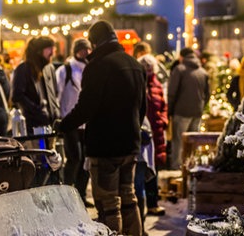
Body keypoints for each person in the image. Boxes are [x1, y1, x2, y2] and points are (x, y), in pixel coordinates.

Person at [57, 21, 146, 236]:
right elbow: (142, 107)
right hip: (130, 142)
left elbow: (86, 107)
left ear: (95, 43)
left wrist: (63, 125)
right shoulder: (134, 64)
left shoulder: (97, 66)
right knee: (128, 197)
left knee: (108, 204)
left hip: (105, 145)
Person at [55, 38, 93, 208]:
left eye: (88, 49)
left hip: (87, 122)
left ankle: (81, 194)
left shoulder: (91, 69)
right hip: (70, 120)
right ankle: (66, 194)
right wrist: (59, 117)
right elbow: (58, 94)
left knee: (86, 160)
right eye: (82, 49)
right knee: (74, 158)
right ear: (76, 51)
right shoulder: (66, 70)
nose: (85, 53)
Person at [167, 47, 209, 170]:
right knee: (193, 142)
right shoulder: (203, 71)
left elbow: (172, 93)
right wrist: (201, 106)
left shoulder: (179, 70)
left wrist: (170, 110)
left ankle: (177, 167)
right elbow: (207, 94)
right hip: (197, 111)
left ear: (181, 57)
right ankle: (191, 166)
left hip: (181, 112)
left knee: (179, 142)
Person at [137, 54, 168, 216]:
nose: (148, 69)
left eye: (150, 66)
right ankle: (141, 207)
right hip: (142, 132)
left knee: (154, 170)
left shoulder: (157, 85)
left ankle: (153, 203)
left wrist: (163, 120)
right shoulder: (137, 84)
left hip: (156, 131)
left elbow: (163, 105)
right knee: (143, 169)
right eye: (145, 66)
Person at [11, 36, 60, 135]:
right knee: (39, 149)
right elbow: (17, 95)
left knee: (51, 150)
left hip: (51, 124)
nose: (53, 52)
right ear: (39, 51)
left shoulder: (49, 68)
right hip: (34, 127)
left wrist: (56, 112)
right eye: (49, 48)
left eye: (53, 48)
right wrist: (36, 111)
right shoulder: (23, 69)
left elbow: (54, 93)